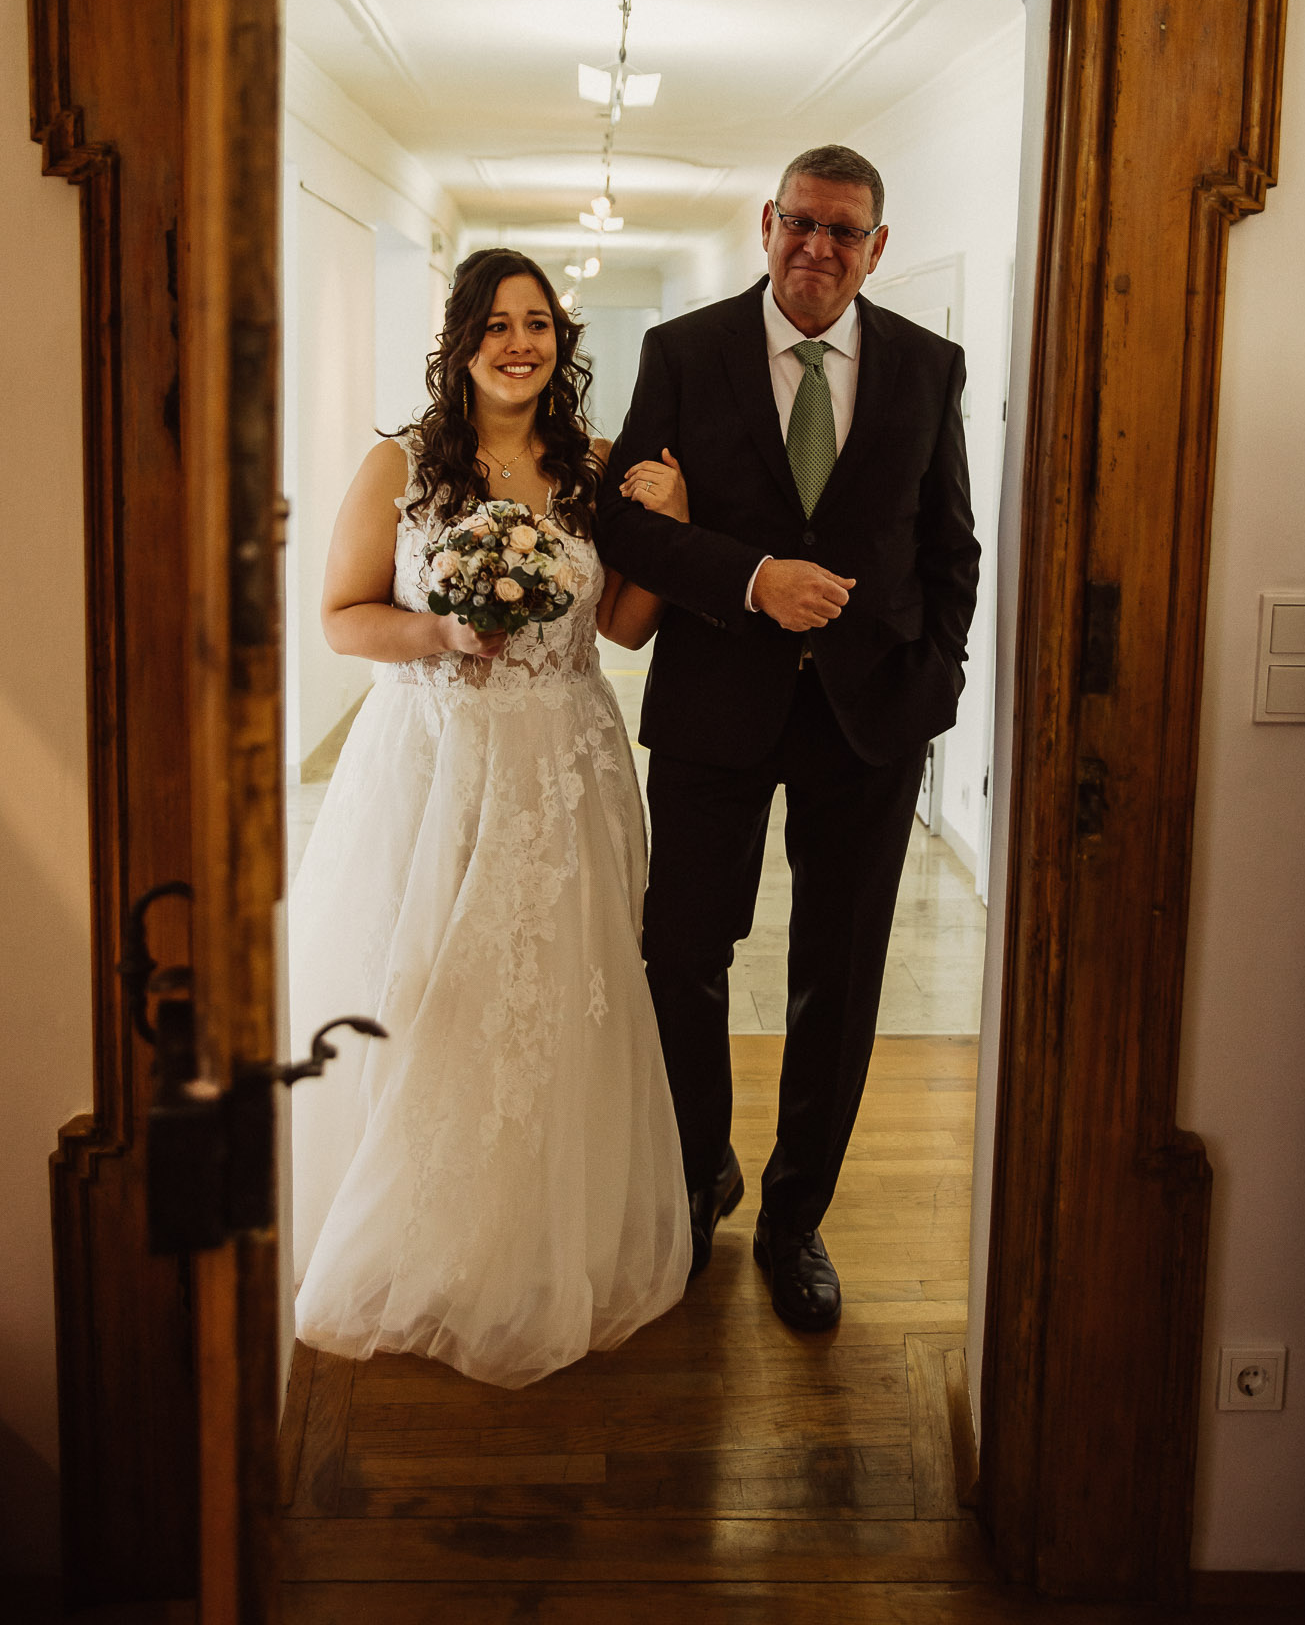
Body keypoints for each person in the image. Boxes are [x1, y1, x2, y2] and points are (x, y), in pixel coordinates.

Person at [288, 247, 692, 1389]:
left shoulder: (594, 468)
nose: (520, 344)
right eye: (497, 324)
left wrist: (677, 520)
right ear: (460, 340)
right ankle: (415, 1233)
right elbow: (341, 615)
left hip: (563, 760)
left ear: (561, 341)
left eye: (538, 324)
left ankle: (539, 1241)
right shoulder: (402, 464)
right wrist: (441, 632)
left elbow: (622, 625)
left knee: (559, 990)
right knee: (427, 985)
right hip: (433, 760)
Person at [600, 144, 980, 1333]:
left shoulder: (927, 364)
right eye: (801, 222)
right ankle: (698, 1172)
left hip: (871, 721)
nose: (818, 246)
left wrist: (937, 682)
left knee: (841, 971)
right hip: (715, 701)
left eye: (844, 230)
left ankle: (794, 1216)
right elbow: (624, 524)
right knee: (683, 950)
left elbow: (949, 544)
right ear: (768, 223)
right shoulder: (684, 350)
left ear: (878, 246)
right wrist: (752, 576)